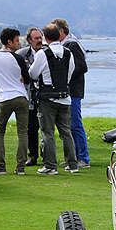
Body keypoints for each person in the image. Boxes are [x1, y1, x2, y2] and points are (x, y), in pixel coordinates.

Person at [29, 23, 77, 175]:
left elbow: (33, 74)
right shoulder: (68, 52)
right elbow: (71, 72)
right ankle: (72, 164)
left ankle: (50, 166)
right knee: (66, 133)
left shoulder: (43, 54)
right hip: (65, 97)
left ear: (45, 37)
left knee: (47, 133)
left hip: (48, 98)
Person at [0, 28, 29, 176]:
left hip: (4, 97)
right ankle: (20, 166)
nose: (18, 44)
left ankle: (1, 166)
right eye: (16, 41)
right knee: (22, 132)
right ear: (9, 42)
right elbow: (27, 78)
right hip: (21, 96)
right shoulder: (18, 58)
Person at [52, 18, 89, 168]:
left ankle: (83, 158)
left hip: (73, 90)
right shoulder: (67, 44)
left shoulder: (72, 45)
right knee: (68, 124)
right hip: (70, 89)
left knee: (75, 124)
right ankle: (73, 156)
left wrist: (64, 75)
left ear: (61, 31)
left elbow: (82, 66)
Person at [17, 27, 44, 166]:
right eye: (36, 38)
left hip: (46, 96)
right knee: (31, 128)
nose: (39, 41)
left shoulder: (47, 53)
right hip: (29, 97)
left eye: (40, 38)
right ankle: (32, 156)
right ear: (29, 40)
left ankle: (47, 156)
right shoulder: (21, 55)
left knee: (47, 128)